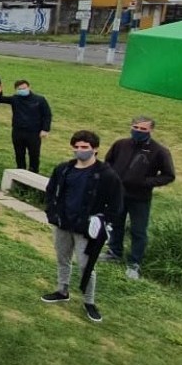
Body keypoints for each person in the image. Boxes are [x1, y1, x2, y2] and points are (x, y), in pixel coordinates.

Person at [41, 131, 123, 323]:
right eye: (76, 147)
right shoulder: (63, 169)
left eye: (84, 147)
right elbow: (51, 191)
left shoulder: (106, 175)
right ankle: (62, 290)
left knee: (86, 266)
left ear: (95, 149)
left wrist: (103, 222)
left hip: (86, 229)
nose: (80, 150)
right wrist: (52, 213)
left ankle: (89, 302)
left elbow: (116, 204)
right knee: (63, 258)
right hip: (62, 223)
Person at [102, 116, 175, 280]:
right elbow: (108, 162)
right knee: (116, 224)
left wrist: (145, 182)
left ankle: (134, 263)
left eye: (143, 129)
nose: (138, 131)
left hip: (140, 198)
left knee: (138, 231)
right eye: (136, 127)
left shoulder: (159, 151)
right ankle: (114, 253)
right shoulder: (121, 144)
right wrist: (111, 177)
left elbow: (168, 175)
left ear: (151, 130)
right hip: (118, 194)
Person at [0, 79, 51, 173]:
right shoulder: (15, 99)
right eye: (19, 89)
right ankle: (20, 172)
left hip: (33, 132)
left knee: (34, 154)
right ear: (16, 90)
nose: (22, 90)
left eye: (24, 88)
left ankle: (33, 173)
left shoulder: (39, 100)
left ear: (29, 87)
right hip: (18, 131)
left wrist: (45, 129)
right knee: (19, 153)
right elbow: (0, 99)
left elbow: (47, 115)